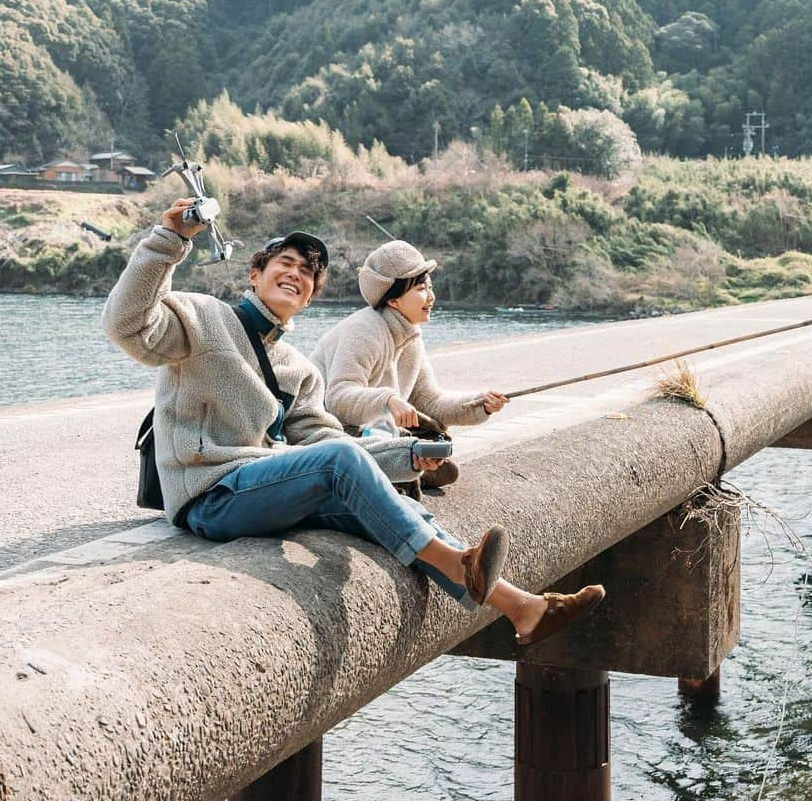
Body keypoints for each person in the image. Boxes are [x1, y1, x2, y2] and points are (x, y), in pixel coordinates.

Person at [102, 198, 604, 646]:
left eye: (308, 274)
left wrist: (407, 456)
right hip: (210, 494)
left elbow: (322, 436)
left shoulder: (297, 368)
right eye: (286, 263)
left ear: (311, 297)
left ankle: (524, 608)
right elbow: (125, 325)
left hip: (261, 488)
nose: (296, 274)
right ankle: (461, 565)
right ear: (254, 274)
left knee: (384, 509)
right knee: (344, 462)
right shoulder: (202, 317)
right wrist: (168, 240)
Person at [311, 240, 507, 488]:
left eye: (430, 287)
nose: (431, 297)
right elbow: (338, 398)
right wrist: (387, 401)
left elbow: (429, 401)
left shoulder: (410, 335)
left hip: (374, 431)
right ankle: (400, 470)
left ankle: (401, 467)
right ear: (393, 300)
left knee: (437, 439)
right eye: (421, 289)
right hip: (331, 434)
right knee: (408, 451)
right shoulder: (363, 330)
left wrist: (481, 404)